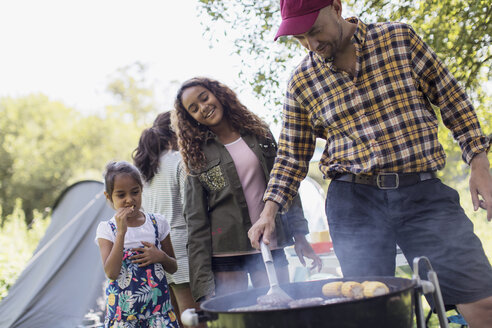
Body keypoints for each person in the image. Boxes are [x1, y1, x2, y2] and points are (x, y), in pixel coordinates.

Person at [248, 1, 492, 327]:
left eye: (314, 30)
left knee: (483, 298)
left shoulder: (400, 39)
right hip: (354, 204)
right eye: (300, 38)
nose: (310, 44)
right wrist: (268, 212)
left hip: (422, 193)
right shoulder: (302, 81)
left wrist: (479, 163)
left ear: (335, 7)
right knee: (372, 311)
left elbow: (451, 97)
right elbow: (292, 155)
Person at [172, 77, 322, 302]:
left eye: (205, 98)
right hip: (226, 252)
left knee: (280, 313)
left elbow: (286, 183)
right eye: (194, 109)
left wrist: (300, 236)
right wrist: (203, 283)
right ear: (190, 118)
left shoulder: (259, 133)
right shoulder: (196, 155)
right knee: (236, 319)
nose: (203, 108)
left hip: (271, 241)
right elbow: (196, 221)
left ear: (217, 94)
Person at [133, 111, 202, 327]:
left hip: (153, 250)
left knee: (172, 318)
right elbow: (192, 210)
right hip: (181, 250)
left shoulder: (143, 168)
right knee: (194, 318)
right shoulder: (180, 162)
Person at [95, 161, 179, 328]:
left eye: (135, 192)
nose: (129, 200)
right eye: (121, 195)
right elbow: (111, 272)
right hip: (123, 318)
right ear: (108, 196)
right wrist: (121, 233)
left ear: (142, 189)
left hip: (159, 316)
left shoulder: (157, 223)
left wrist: (160, 256)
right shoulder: (107, 230)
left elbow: (173, 266)